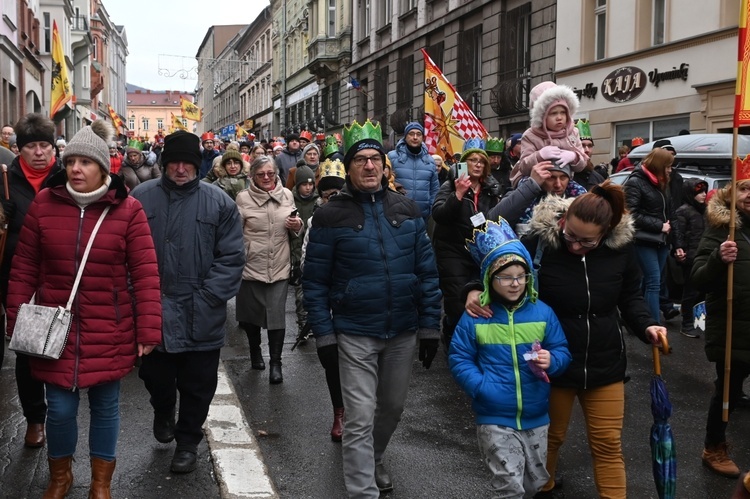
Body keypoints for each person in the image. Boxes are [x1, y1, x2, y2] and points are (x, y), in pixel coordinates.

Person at [466, 181, 667, 499]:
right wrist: (474, 289)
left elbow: (631, 297)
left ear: (607, 232)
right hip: (548, 364)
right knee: (546, 441)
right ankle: (541, 490)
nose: (575, 246)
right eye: (570, 235)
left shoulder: (621, 249)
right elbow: (500, 270)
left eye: (586, 242)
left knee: (608, 444)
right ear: (563, 220)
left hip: (604, 363)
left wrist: (649, 326)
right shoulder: (538, 242)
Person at [6, 120, 162, 498]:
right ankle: (60, 477)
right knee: (58, 409)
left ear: (103, 166)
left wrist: (148, 330)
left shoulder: (129, 210)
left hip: (109, 326)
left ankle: (101, 482)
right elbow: (25, 265)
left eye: (85, 162)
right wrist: (16, 317)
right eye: (71, 161)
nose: (76, 169)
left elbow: (144, 273)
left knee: (106, 408)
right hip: (52, 329)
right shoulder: (45, 203)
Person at [303, 119, 442, 497]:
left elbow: (427, 273)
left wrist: (431, 326)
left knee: (392, 408)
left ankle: (374, 457)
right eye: (360, 159)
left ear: (385, 165)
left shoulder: (408, 210)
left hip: (402, 330)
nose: (369, 166)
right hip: (354, 332)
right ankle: (363, 490)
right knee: (359, 416)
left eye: (375, 159)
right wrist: (324, 334)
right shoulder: (330, 217)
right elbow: (314, 282)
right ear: (348, 167)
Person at [131, 130, 245, 474]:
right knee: (156, 377)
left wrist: (210, 296)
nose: (181, 169)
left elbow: (232, 255)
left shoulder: (219, 202)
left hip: (201, 311)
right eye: (174, 162)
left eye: (188, 163)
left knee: (198, 385)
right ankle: (163, 409)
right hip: (154, 311)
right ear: (165, 164)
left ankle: (188, 442)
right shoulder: (140, 198)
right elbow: (123, 252)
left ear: (197, 165)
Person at [450, 219, 571, 498]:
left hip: (537, 416)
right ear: (489, 279)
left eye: (521, 276)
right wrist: (481, 387)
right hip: (494, 417)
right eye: (506, 277)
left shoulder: (543, 313)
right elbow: (459, 357)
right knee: (508, 485)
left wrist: (551, 360)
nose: (515, 283)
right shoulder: (477, 317)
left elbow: (562, 350)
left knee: (533, 483)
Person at [0, 113, 63, 449]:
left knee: (62, 346)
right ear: (18, 149)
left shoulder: (68, 177)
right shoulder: (5, 181)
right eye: (30, 146)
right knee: (27, 350)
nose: (39, 152)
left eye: (45, 145)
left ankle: (62, 416)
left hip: (61, 275)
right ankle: (35, 419)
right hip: (16, 276)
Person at [691, 179, 750, 478]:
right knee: (727, 388)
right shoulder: (721, 229)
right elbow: (698, 277)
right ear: (731, 194)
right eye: (744, 188)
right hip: (734, 325)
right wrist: (718, 258)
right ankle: (714, 447)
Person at [235, 155, 302, 383]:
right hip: (251, 267)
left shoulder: (287, 195)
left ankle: (276, 364)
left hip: (279, 266)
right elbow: (235, 234)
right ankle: (255, 353)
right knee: (252, 317)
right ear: (252, 176)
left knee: (276, 317)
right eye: (261, 174)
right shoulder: (243, 199)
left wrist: (297, 226)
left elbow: (295, 225)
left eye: (271, 174)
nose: (267, 178)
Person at [431, 142, 501, 348]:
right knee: (457, 302)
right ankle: (452, 336)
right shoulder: (450, 185)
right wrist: (458, 194)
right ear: (464, 163)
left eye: (481, 161)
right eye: (472, 160)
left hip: (481, 252)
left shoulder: (492, 189)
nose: (477, 165)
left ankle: (475, 341)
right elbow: (439, 215)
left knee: (482, 299)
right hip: (453, 251)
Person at [299, 159, 347, 441]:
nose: (334, 200)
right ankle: (339, 411)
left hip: (359, 304)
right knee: (332, 360)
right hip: (329, 304)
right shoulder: (315, 222)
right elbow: (307, 264)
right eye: (328, 195)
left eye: (338, 194)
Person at [623, 147, 675, 323]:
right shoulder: (635, 182)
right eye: (668, 166)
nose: (670, 169)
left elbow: (668, 210)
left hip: (661, 240)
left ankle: (637, 319)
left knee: (649, 282)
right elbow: (631, 213)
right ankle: (655, 326)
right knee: (653, 282)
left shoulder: (661, 182)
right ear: (659, 165)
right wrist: (659, 225)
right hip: (643, 240)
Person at [509, 82, 587, 189]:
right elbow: (524, 167)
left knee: (581, 196)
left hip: (562, 182)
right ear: (541, 116)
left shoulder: (573, 132)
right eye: (553, 113)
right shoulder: (530, 135)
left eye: (563, 112)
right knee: (529, 198)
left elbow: (581, 165)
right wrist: (539, 155)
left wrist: (574, 157)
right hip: (536, 181)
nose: (559, 117)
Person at [488, 160, 587, 236]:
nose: (558, 184)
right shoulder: (524, 192)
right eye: (551, 177)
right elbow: (493, 220)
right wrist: (531, 186)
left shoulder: (579, 198)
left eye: (563, 178)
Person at [673, 179, 707, 338]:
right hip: (690, 257)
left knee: (701, 292)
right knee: (690, 292)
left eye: (704, 192)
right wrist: (679, 250)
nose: (704, 195)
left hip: (703, 256)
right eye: (699, 192)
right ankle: (686, 323)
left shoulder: (705, 211)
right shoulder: (683, 211)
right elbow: (678, 234)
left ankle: (697, 319)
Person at [387, 121, 439, 220]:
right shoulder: (392, 157)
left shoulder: (430, 161)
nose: (415, 137)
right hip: (398, 215)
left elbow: (434, 190)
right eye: (411, 134)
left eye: (418, 134)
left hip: (423, 216)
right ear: (405, 137)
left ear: (422, 138)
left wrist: (432, 210)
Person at [572, 119, 605, 190]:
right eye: (582, 145)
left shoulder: (599, 179)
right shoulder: (564, 177)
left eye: (590, 146)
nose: (587, 150)